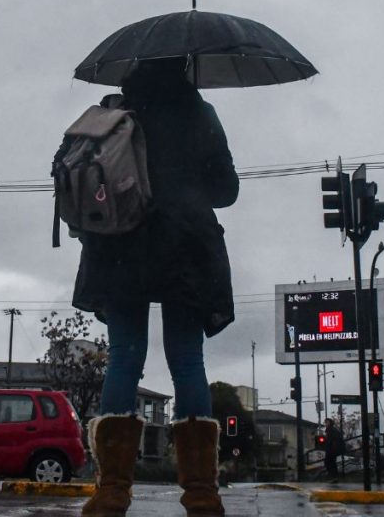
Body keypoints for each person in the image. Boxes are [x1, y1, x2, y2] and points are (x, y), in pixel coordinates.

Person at [61, 57, 238, 517]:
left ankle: (112, 493)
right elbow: (226, 191)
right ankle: (202, 495)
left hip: (119, 246)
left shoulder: (114, 112)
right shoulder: (200, 114)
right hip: (186, 247)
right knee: (186, 360)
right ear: (183, 66)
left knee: (124, 355)